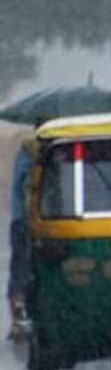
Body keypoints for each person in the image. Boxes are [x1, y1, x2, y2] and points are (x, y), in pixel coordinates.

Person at [6, 143, 31, 341]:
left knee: (20, 271)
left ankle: (18, 320)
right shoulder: (43, 150)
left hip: (21, 219)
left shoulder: (25, 150)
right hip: (38, 220)